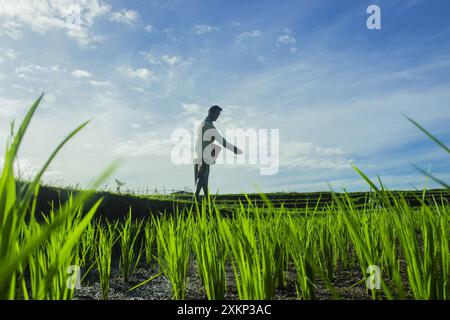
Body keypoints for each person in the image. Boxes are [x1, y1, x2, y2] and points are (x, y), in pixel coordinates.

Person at [194, 105, 242, 201]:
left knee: (205, 176)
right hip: (204, 152)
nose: (217, 116)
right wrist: (234, 149)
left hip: (199, 151)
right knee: (203, 175)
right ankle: (196, 196)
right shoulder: (209, 126)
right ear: (210, 113)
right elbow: (222, 141)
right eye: (216, 114)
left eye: (218, 115)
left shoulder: (201, 125)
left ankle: (207, 198)